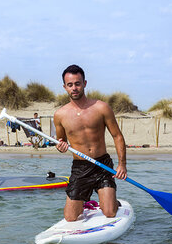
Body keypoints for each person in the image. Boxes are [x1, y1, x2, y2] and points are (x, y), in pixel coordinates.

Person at [54, 65, 127, 222]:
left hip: (102, 165)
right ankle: (88, 202)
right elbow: (61, 144)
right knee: (70, 218)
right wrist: (60, 147)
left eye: (77, 83)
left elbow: (117, 136)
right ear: (64, 87)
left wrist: (122, 165)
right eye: (70, 85)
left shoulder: (101, 107)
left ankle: (113, 202)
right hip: (80, 167)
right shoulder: (60, 115)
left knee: (109, 212)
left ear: (84, 83)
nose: (74, 88)